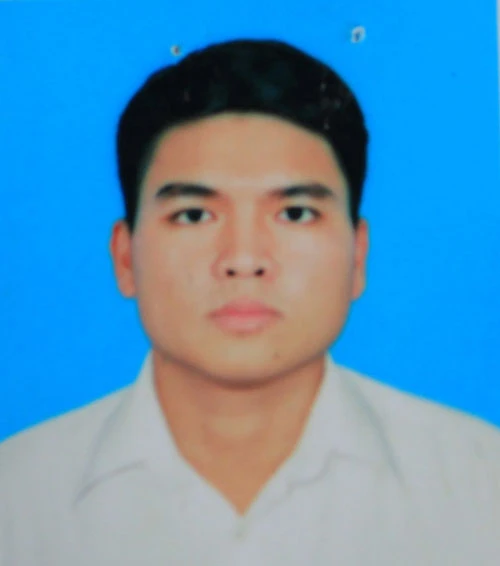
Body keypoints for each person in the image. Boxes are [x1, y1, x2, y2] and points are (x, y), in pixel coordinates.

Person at [1, 37, 499, 566]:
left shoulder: (481, 484)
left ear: (358, 256)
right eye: (194, 215)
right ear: (125, 257)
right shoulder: (18, 495)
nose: (243, 259)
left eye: (295, 213)